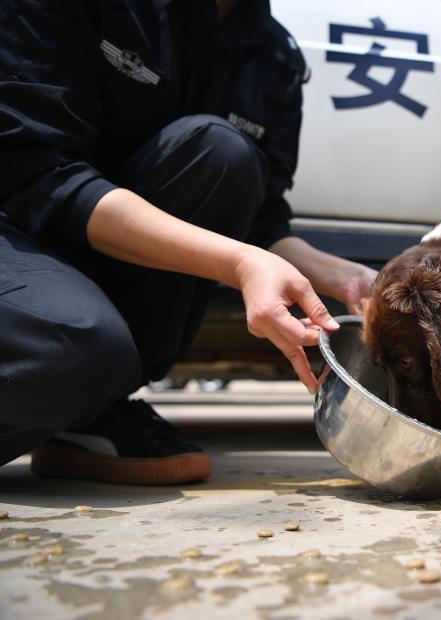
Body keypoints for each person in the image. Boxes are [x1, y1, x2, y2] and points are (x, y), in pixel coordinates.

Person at [0, 0, 377, 484]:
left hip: (82, 257)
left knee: (225, 154)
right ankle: (83, 376)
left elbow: (262, 227)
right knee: (71, 353)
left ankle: (92, 410)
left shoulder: (273, 57)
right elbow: (36, 173)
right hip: (16, 226)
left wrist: (350, 279)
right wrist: (240, 264)